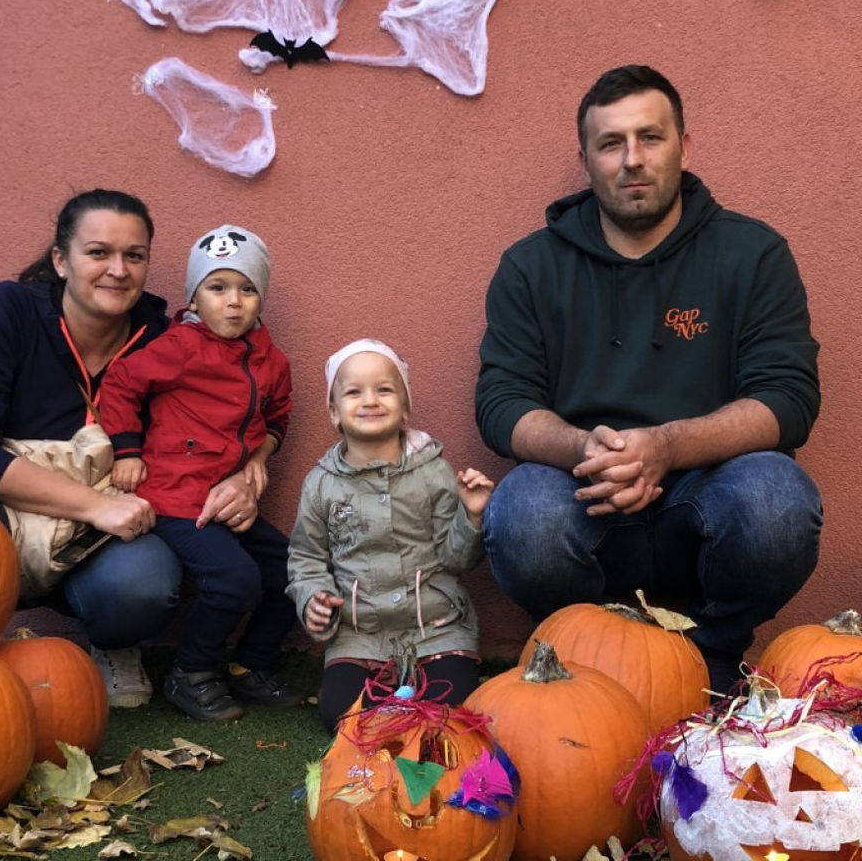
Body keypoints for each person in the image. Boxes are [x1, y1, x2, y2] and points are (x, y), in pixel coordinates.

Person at [475, 65, 822, 694]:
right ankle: (584, 666)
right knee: (522, 510)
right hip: (582, 490)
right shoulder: (530, 267)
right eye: (611, 143)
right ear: (586, 160)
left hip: (710, 489)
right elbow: (502, 403)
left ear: (684, 146)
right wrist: (586, 450)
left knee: (778, 498)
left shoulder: (753, 254)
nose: (632, 160)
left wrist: (665, 449)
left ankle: (712, 662)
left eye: (650, 138)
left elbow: (788, 398)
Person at [0, 189, 182, 707]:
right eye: (98, 253)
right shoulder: (10, 310)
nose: (117, 269)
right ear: (61, 261)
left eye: (134, 256)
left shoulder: (163, 338)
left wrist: (257, 459)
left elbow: (225, 413)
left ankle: (114, 644)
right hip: (6, 504)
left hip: (97, 536)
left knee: (147, 583)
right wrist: (96, 505)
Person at [99, 224, 303, 722]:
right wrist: (126, 450)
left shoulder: (271, 361)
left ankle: (250, 666)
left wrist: (258, 458)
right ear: (193, 295)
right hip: (174, 497)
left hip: (229, 499)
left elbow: (278, 417)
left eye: (247, 289)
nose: (233, 302)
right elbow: (120, 383)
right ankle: (191, 672)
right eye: (218, 288)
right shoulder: (178, 347)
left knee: (293, 572)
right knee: (235, 580)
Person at [288, 339, 493, 731]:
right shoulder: (320, 485)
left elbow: (457, 560)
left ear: (405, 407)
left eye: (384, 389)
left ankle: (415, 702)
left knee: (450, 710)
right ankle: (389, 706)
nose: (370, 400)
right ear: (334, 411)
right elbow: (306, 558)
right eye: (353, 392)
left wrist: (472, 515)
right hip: (359, 633)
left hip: (436, 627)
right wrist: (311, 597)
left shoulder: (434, 472)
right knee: (340, 713)